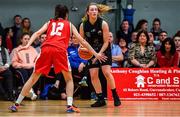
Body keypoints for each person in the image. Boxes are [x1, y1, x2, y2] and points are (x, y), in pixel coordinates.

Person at [9, 4, 106, 113]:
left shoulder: (49, 22)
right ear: (66, 15)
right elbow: (82, 41)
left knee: (33, 78)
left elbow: (37, 33)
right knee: (69, 79)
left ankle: (16, 103)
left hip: (46, 49)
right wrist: (95, 53)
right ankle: (69, 106)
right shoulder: (69, 25)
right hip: (59, 50)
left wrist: (27, 45)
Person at [79, 3, 121, 107]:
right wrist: (85, 50)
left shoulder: (103, 24)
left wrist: (99, 54)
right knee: (93, 76)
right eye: (92, 10)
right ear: (88, 12)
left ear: (98, 12)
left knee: (106, 72)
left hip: (104, 50)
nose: (94, 11)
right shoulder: (83, 25)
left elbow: (107, 42)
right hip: (91, 51)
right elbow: (82, 41)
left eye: (96, 10)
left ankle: (115, 96)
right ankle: (101, 99)